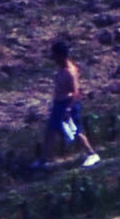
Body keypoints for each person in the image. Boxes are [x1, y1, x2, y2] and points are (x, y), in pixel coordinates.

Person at [36, 37, 99, 168]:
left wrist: (69, 109)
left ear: (60, 55)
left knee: (76, 131)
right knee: (50, 131)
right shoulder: (61, 68)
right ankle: (44, 159)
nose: (53, 59)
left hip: (67, 105)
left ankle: (92, 154)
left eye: (55, 55)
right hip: (58, 104)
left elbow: (76, 92)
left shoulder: (70, 71)